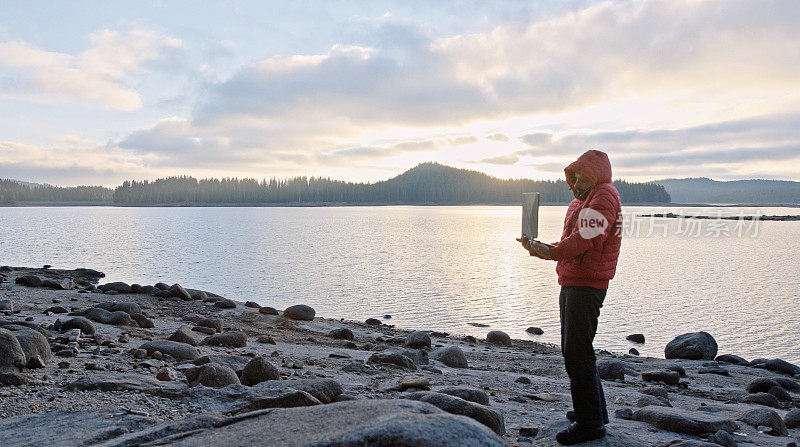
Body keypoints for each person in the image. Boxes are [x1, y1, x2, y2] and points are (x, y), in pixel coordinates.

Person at [517, 149, 622, 445]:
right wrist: (540, 248)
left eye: (579, 175)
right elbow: (568, 243)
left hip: (588, 284)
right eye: (572, 176)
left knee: (576, 352)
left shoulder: (604, 196)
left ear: (592, 173)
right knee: (578, 350)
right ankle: (595, 414)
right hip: (574, 280)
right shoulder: (581, 201)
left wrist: (551, 252)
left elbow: (588, 238)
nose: (574, 181)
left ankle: (590, 424)